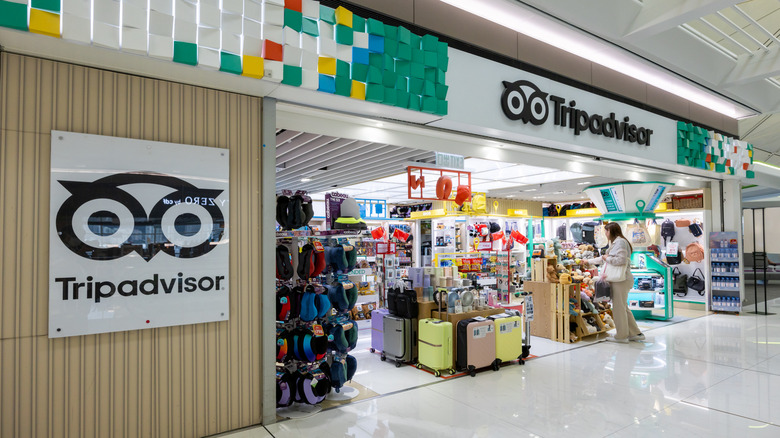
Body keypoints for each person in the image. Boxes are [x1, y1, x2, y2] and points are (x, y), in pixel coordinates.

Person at [588, 222, 644, 343]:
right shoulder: (617, 242)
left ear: (611, 231)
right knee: (623, 307)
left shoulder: (620, 242)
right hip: (621, 279)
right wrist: (588, 261)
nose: (605, 234)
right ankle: (635, 333)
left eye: (606, 231)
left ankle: (621, 335)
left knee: (619, 308)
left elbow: (620, 260)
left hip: (621, 280)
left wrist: (606, 258)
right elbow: (605, 259)